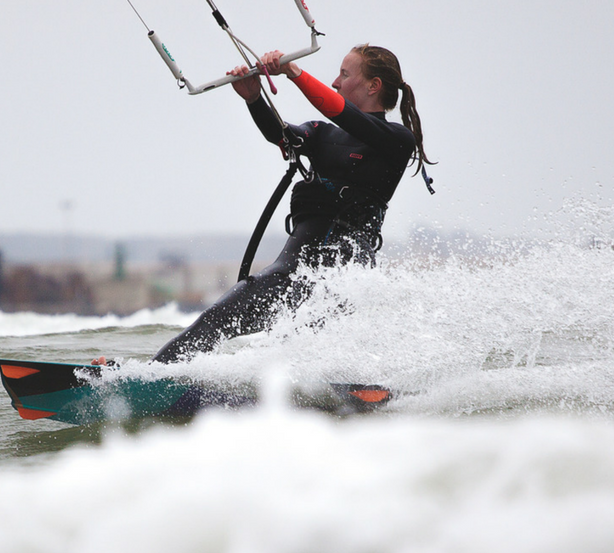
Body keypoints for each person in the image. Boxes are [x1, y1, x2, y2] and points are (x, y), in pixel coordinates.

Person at [151, 44, 433, 363]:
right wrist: (254, 99)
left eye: (344, 74)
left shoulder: (397, 140)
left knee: (311, 353)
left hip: (342, 283)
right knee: (214, 322)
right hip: (289, 277)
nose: (336, 82)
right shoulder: (321, 134)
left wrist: (294, 72)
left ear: (373, 86)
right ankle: (151, 377)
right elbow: (281, 135)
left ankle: (338, 389)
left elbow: (342, 112)